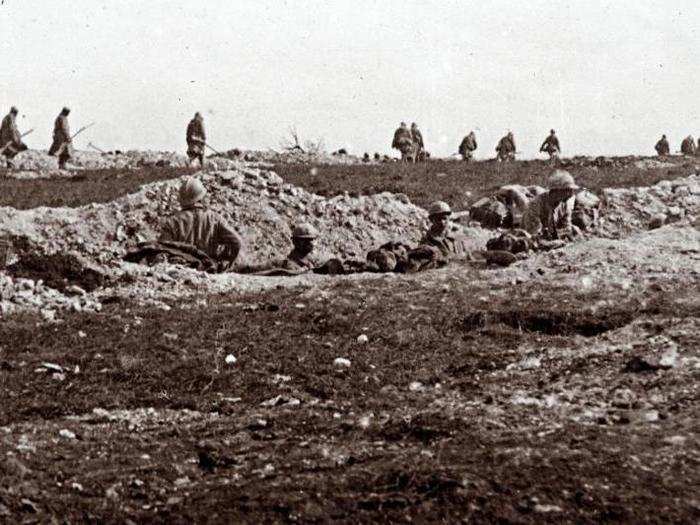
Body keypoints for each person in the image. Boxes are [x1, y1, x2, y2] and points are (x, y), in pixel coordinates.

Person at [160, 178, 242, 262]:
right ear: (201, 198)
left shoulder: (173, 222)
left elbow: (162, 249)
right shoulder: (215, 219)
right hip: (208, 268)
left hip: (181, 269)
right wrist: (222, 262)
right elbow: (237, 242)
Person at [521, 170, 580, 240]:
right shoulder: (535, 205)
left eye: (572, 191)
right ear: (556, 190)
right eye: (567, 190)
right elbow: (534, 235)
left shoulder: (564, 205)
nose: (571, 194)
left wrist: (566, 233)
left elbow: (566, 227)